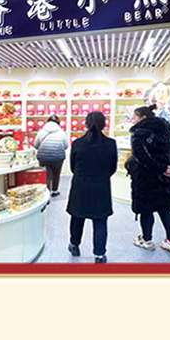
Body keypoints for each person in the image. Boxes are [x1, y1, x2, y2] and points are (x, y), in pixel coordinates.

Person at [125, 103, 170, 254]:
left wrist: (161, 168)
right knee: (164, 208)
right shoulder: (166, 131)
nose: (133, 120)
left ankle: (147, 240)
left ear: (143, 118)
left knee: (146, 209)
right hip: (166, 179)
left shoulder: (139, 134)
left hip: (145, 177)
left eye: (135, 117)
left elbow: (141, 156)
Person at [66, 112, 117, 263]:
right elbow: (112, 168)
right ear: (104, 125)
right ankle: (99, 255)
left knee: (77, 217)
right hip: (101, 186)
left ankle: (74, 245)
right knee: (100, 220)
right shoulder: (111, 144)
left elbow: (73, 167)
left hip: (80, 185)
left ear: (86, 124)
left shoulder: (77, 143)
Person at [34, 115, 69, 196]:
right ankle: (55, 190)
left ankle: (46, 192)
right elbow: (66, 146)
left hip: (43, 157)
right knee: (56, 173)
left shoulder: (42, 132)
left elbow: (36, 145)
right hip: (58, 157)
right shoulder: (61, 132)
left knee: (46, 174)